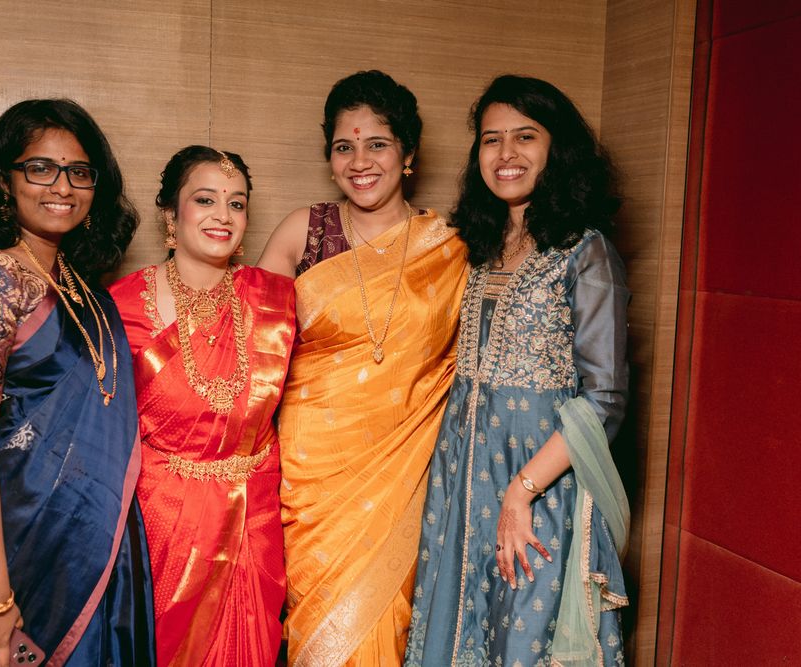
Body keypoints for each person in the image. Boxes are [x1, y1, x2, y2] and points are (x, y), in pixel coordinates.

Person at [404, 75, 631, 666]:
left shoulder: (585, 251)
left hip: (541, 486)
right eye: (491, 139)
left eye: (525, 136)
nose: (506, 153)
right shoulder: (475, 247)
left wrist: (522, 491)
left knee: (524, 634)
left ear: (558, 149)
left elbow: (604, 399)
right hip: (461, 479)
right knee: (455, 628)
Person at [0, 99, 154, 666]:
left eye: (79, 172)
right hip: (11, 543)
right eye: (40, 168)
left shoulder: (80, 286)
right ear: (2, 182)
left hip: (95, 541)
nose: (62, 186)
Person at [259, 70, 468, 666]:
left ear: (408, 154)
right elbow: (249, 354)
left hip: (406, 470)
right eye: (343, 147)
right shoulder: (303, 232)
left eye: (377, 144)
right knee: (319, 632)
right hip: (311, 480)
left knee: (390, 624)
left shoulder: (450, 246)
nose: (359, 162)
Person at [110, 146, 296, 666]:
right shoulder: (121, 306)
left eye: (236, 204)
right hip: (163, 522)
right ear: (171, 216)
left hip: (254, 518)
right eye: (205, 200)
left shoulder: (276, 301)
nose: (223, 215)